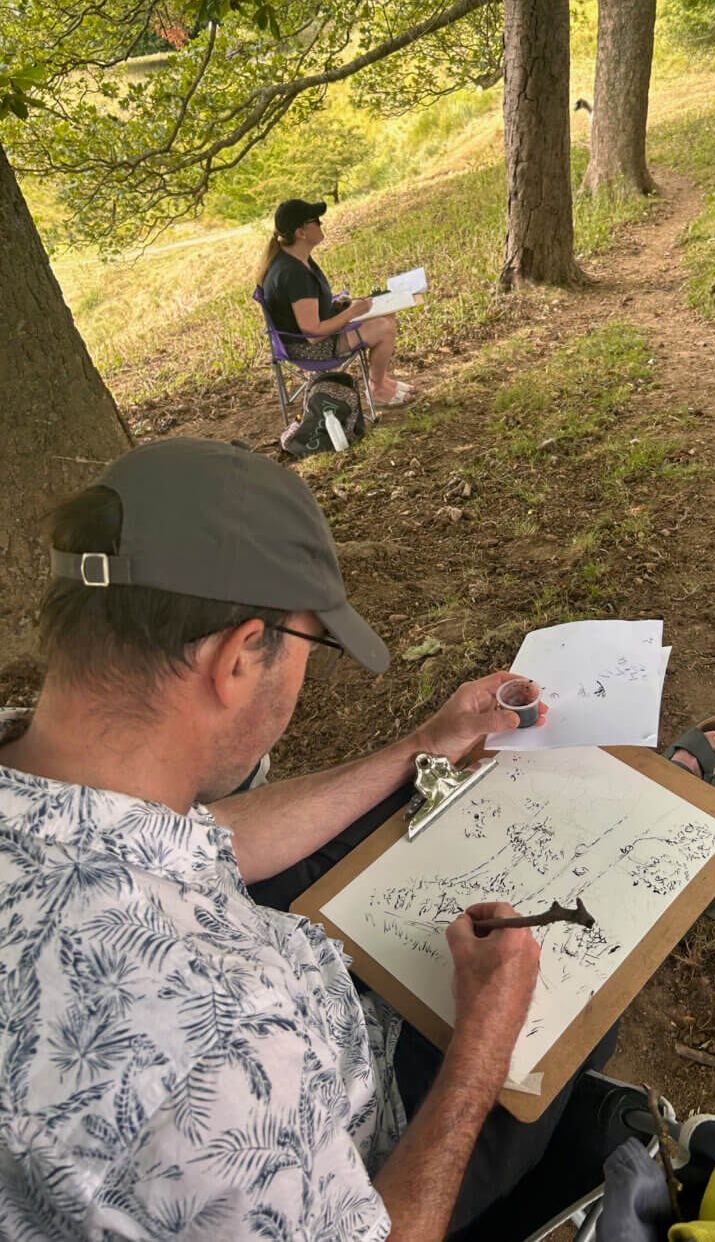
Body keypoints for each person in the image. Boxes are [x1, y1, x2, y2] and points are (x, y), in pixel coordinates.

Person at [0, 437, 556, 1242]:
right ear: (235, 661)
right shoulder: (215, 1048)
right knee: (564, 1011)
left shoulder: (50, 777)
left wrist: (416, 749)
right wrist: (481, 1047)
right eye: (309, 646)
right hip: (357, 1142)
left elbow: (194, 839)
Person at [257, 197, 416, 408]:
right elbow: (313, 333)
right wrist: (352, 313)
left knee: (387, 313)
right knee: (383, 328)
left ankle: (382, 381)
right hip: (309, 348)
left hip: (314, 336)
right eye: (316, 221)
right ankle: (377, 389)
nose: (322, 224)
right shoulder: (293, 274)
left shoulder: (298, 258)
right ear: (301, 232)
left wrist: (340, 306)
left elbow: (309, 310)